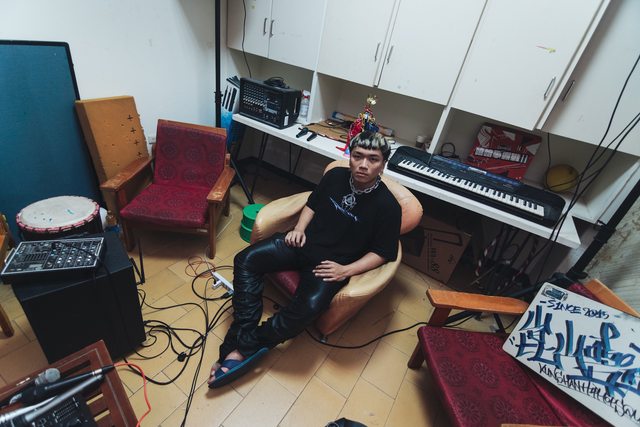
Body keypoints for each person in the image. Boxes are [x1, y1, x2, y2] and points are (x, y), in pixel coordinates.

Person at [208, 131, 401, 388]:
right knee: (246, 259)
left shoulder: (388, 206)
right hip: (302, 244)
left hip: (330, 266)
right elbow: (312, 203)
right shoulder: (335, 176)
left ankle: (246, 344)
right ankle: (243, 339)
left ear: (383, 164)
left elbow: (383, 252)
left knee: (310, 307)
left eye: (373, 159)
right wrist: (299, 229)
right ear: (350, 157)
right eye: (358, 156)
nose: (363, 165)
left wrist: (345, 270)